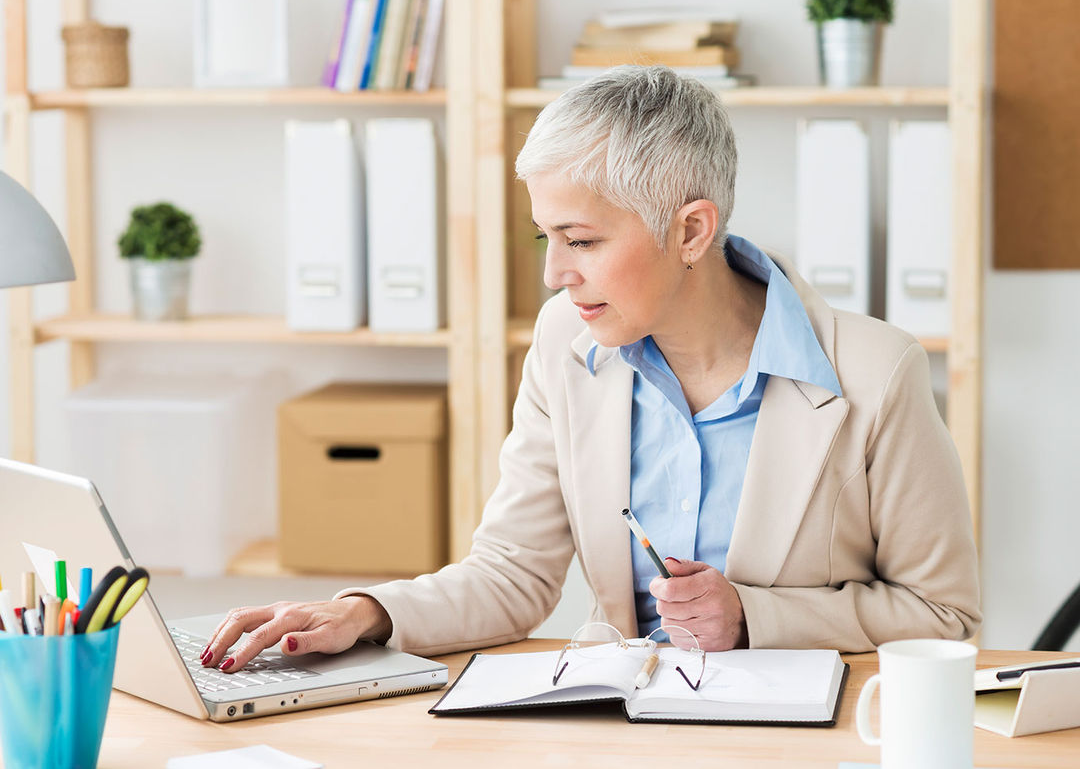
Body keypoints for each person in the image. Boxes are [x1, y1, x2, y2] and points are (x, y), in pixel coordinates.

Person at [199, 64, 981, 673]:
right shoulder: (564, 345)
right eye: (547, 240)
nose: (554, 275)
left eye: (582, 240)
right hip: (621, 725)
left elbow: (945, 617)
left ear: (691, 230)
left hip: (802, 736)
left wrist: (754, 617)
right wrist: (366, 612)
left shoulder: (876, 373)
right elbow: (513, 576)